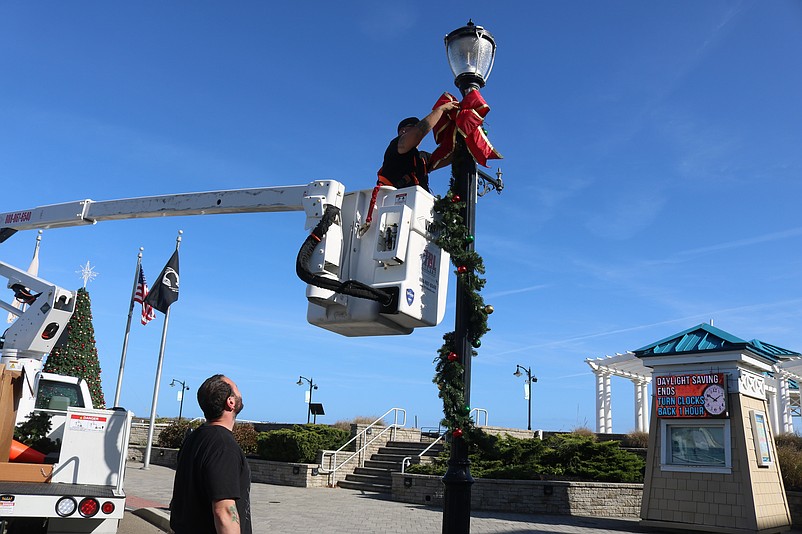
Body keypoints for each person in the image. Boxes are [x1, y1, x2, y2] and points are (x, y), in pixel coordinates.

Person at [170, 374, 251, 534]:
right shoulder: (223, 446)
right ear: (231, 402)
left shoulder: (193, 439)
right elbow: (224, 512)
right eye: (237, 389)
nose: (240, 392)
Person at [377, 100, 460, 193]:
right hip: (394, 202)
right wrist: (441, 110)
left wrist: (459, 138)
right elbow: (419, 132)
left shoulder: (422, 157)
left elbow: (446, 158)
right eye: (414, 126)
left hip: (418, 202)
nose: (417, 128)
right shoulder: (396, 145)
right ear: (403, 131)